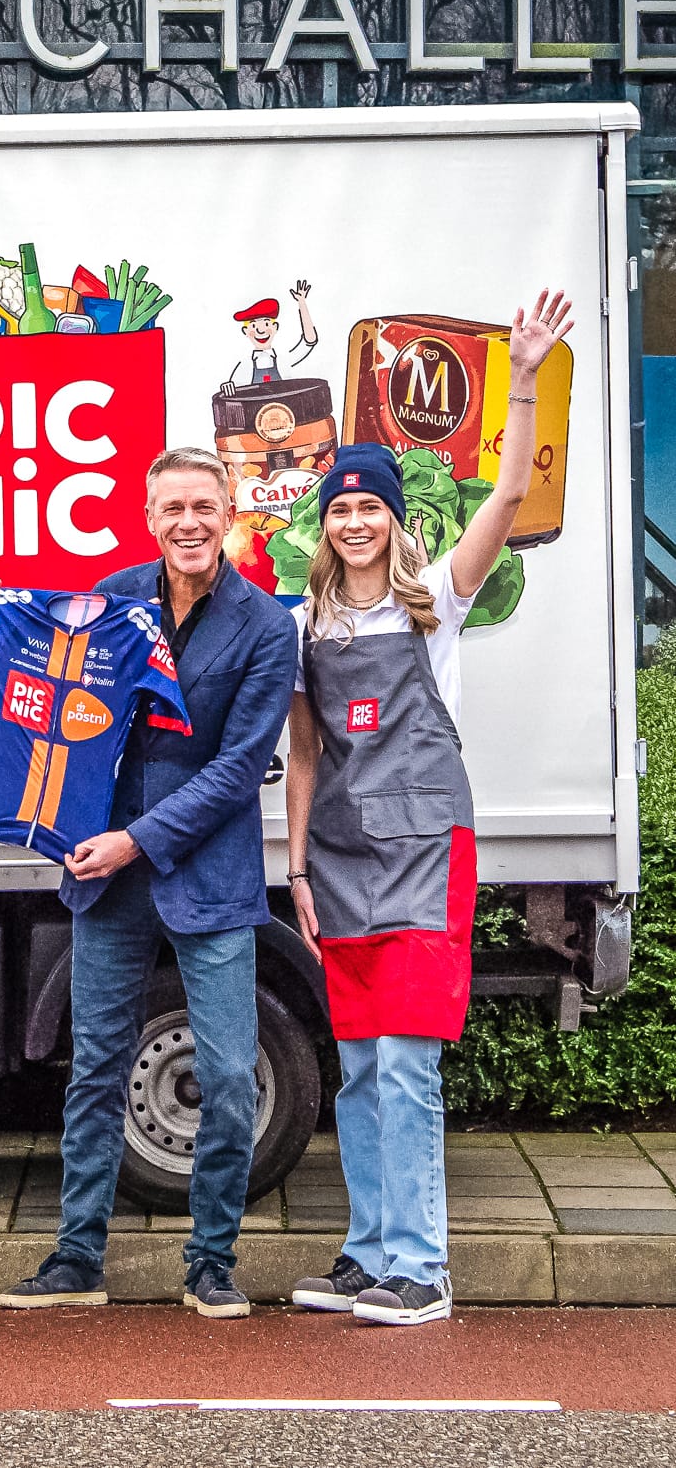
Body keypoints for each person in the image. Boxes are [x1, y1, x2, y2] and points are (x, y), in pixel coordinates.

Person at [286, 291, 572, 1328]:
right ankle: (369, 1254)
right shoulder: (306, 620)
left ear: (394, 517)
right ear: (326, 525)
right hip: (347, 859)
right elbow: (306, 746)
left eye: (369, 504)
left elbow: (504, 493)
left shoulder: (437, 600)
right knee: (358, 1067)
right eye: (339, 508)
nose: (355, 519)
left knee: (405, 1064)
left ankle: (425, 1265)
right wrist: (299, 864)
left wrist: (528, 376)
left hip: (422, 856)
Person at [0, 446, 297, 1318]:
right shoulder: (110, 602)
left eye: (204, 506)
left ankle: (210, 1261)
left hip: (205, 876)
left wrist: (132, 839)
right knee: (93, 1068)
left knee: (231, 1080)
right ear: (148, 516)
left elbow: (237, 770)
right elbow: (66, 723)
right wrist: (50, 816)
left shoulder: (267, 627)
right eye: (172, 509)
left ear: (229, 510)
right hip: (108, 879)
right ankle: (75, 1258)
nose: (189, 523)